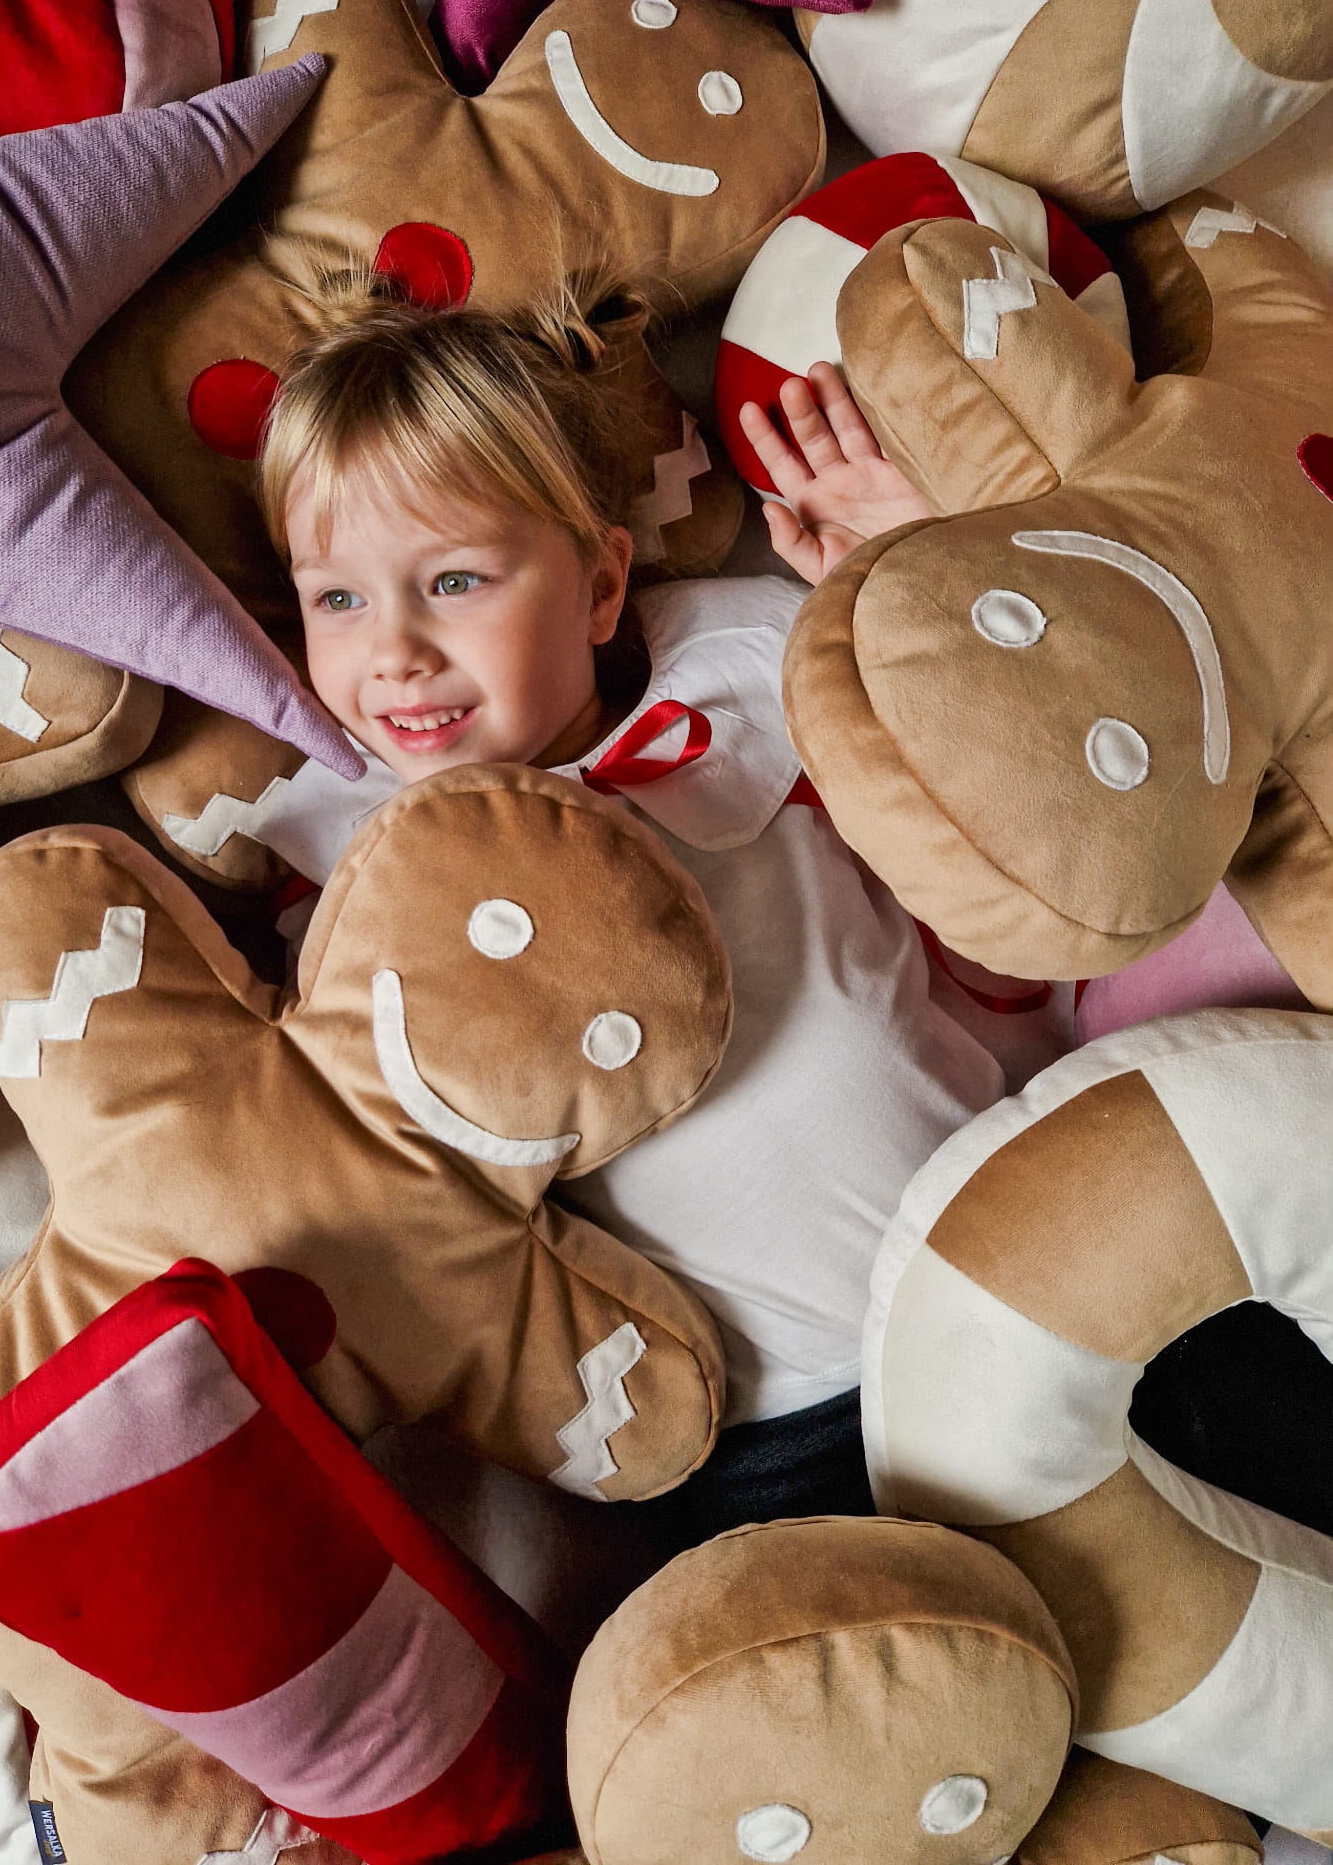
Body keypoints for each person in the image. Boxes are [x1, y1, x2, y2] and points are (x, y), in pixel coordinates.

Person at [250, 264, 1038, 1547]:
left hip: (1016, 1241)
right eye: (337, 597)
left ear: (603, 586)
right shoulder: (361, 870)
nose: (392, 650)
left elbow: (1007, 807)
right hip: (772, 1419)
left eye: (455, 580)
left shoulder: (739, 672)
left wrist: (910, 580)